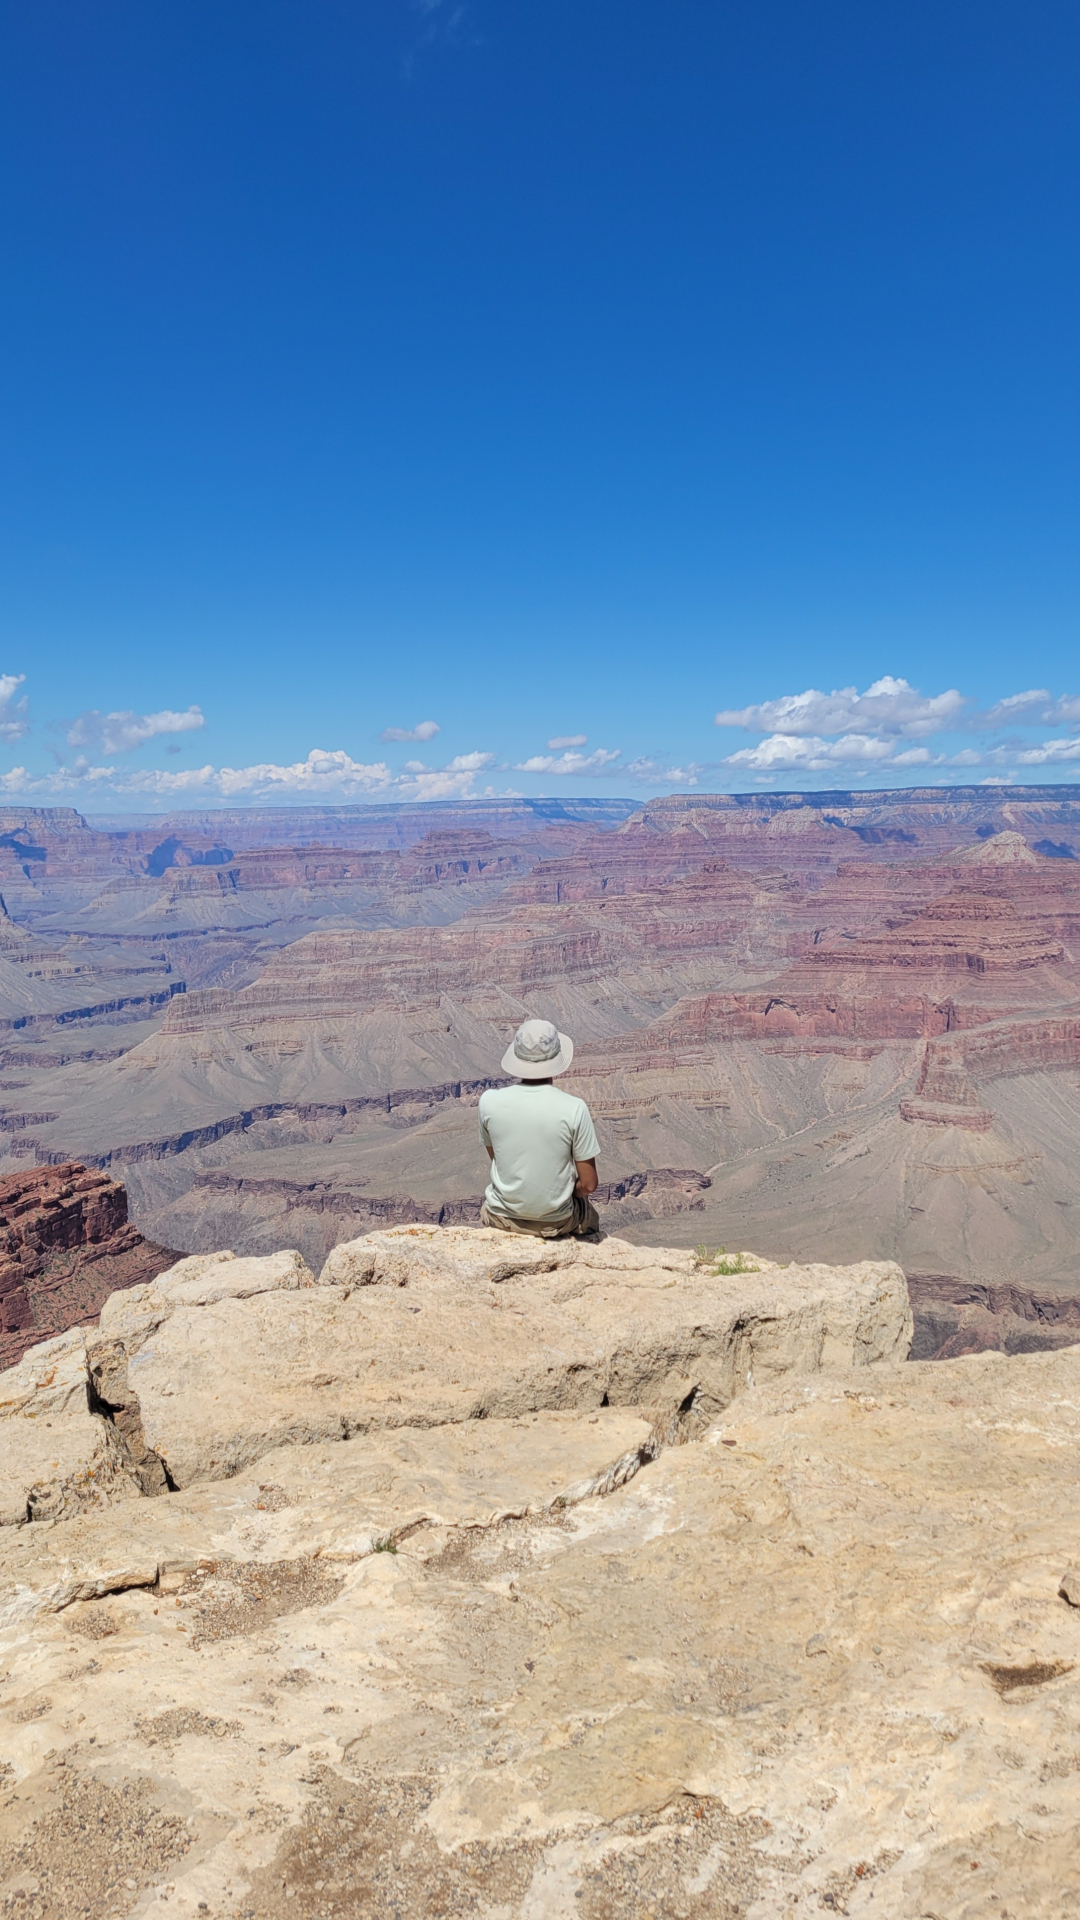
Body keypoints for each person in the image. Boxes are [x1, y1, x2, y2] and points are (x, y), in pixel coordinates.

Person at [478, 1018, 601, 1238]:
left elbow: (498, 1158)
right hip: (557, 1222)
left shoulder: (488, 1102)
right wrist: (569, 1191)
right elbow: (589, 1184)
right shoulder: (574, 1108)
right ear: (556, 1058)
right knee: (590, 1216)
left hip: (502, 1219)